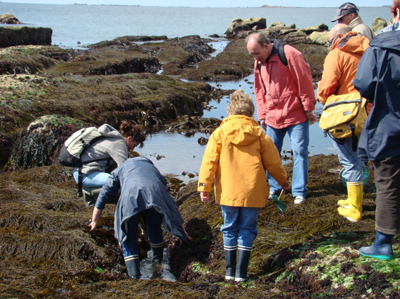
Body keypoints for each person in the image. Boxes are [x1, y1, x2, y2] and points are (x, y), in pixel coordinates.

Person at [197, 89, 290, 282]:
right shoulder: (259, 134)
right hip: (252, 191)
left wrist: (204, 187)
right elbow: (274, 162)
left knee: (229, 228)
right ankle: (241, 274)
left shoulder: (219, 133)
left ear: (230, 110)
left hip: (228, 191)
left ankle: (229, 272)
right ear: (251, 111)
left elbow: (209, 162)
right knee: (247, 229)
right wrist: (284, 182)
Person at [89, 156, 190, 278]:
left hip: (129, 196)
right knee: (154, 227)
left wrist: (94, 221)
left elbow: (103, 195)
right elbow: (169, 201)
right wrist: (180, 229)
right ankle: (158, 265)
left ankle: (134, 276)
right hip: (155, 193)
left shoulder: (119, 169)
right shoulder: (154, 169)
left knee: (128, 236)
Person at [353, 0, 400, 259]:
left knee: (388, 183)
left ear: (394, 12)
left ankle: (383, 242)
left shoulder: (381, 45)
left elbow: (364, 83)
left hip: (389, 124)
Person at [246, 32, 316, 205]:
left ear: (265, 45)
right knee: (271, 153)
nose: (255, 58)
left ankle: (299, 191)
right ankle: (275, 187)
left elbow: (305, 81)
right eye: (252, 55)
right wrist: (262, 114)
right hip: (272, 115)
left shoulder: (290, 54)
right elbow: (259, 89)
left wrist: (308, 108)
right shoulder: (258, 62)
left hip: (295, 113)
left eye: (256, 53)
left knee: (299, 151)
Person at [317, 24, 370, 222]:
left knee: (349, 159)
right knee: (359, 156)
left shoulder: (337, 54)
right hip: (369, 111)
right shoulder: (369, 49)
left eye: (330, 41)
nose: (330, 44)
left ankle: (355, 209)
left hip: (346, 115)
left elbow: (326, 87)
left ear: (339, 36)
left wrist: (323, 98)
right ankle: (352, 199)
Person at [72, 120, 146, 192]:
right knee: (122, 184)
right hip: (85, 175)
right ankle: (90, 194)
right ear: (129, 139)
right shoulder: (119, 144)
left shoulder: (112, 138)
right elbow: (124, 169)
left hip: (80, 171)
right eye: (134, 145)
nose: (133, 149)